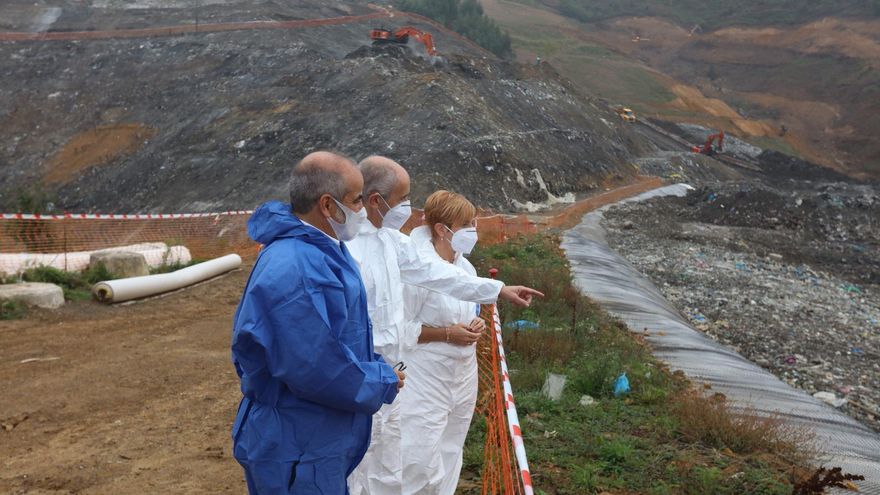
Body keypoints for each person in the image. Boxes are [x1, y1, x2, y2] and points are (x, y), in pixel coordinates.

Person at [346, 156, 543, 495]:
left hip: (405, 376)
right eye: (403, 199)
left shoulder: (394, 243)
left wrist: (497, 290)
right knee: (388, 461)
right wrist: (447, 333)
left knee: (412, 458)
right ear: (375, 200)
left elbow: (438, 275)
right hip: (395, 376)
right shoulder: (348, 249)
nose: (409, 208)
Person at [231, 151, 405, 495]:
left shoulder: (323, 249)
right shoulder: (296, 267)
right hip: (296, 442)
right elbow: (313, 364)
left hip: (311, 433)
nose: (361, 210)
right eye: (356, 200)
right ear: (327, 205)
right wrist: (380, 379)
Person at [398, 190, 489, 495]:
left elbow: (469, 308)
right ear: (442, 229)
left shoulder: (465, 268)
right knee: (418, 455)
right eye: (467, 223)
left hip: (463, 374)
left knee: (451, 449)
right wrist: (448, 334)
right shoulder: (416, 269)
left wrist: (477, 323)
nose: (473, 229)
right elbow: (399, 329)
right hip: (423, 375)